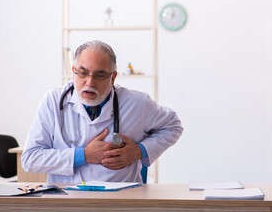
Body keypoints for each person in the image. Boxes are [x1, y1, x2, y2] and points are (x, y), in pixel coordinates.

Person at [21, 40, 183, 183]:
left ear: (113, 78)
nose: (89, 82)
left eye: (99, 75)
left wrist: (139, 151)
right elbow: (30, 159)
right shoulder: (53, 101)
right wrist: (83, 155)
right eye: (83, 73)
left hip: (121, 202)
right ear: (73, 71)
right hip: (67, 200)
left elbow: (173, 126)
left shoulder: (137, 103)